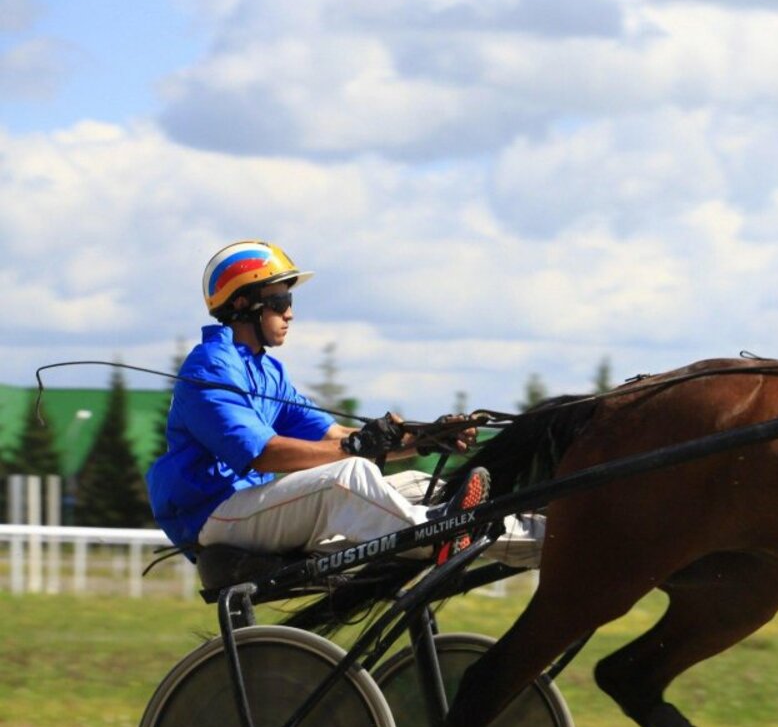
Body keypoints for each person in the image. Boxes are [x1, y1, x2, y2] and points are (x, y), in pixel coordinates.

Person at [145, 240, 542, 566]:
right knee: (348, 475)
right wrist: (354, 449)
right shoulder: (212, 366)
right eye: (281, 300)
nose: (291, 313)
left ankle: (543, 539)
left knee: (422, 484)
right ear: (244, 305)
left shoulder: (268, 371)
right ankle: (439, 532)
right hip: (213, 516)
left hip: (249, 508)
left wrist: (423, 439)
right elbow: (265, 455)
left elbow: (337, 436)